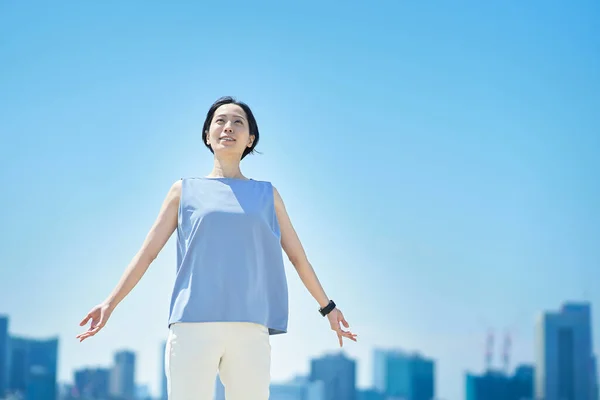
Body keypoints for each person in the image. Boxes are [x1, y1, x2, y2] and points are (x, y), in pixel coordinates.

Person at [76, 96, 357, 399]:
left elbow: (298, 258)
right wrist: (110, 303)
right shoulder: (183, 191)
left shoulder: (267, 195)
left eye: (238, 122)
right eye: (220, 121)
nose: (228, 128)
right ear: (207, 134)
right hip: (192, 327)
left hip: (250, 326)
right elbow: (147, 254)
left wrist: (328, 308)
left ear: (250, 139)